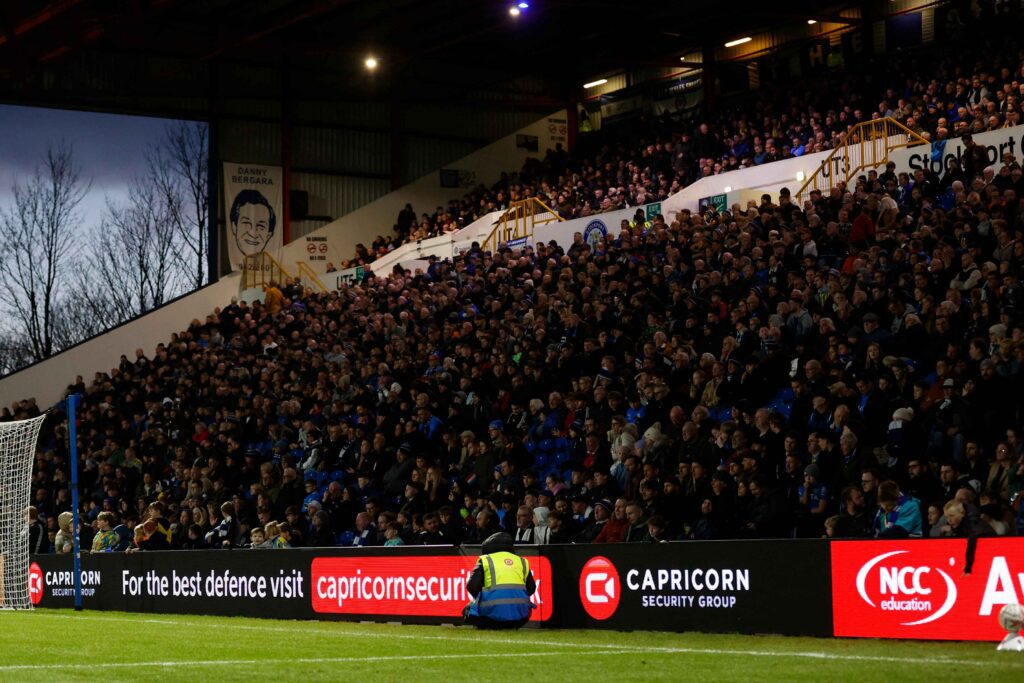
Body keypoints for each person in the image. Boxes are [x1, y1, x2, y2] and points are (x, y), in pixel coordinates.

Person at [463, 532, 535, 629]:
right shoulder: (522, 561)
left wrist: (482, 600)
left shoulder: (485, 559)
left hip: (492, 617)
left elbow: (471, 586)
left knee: (468, 609)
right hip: (520, 618)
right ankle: (511, 624)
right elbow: (531, 588)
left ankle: (490, 624)